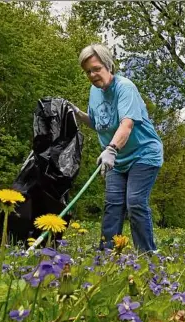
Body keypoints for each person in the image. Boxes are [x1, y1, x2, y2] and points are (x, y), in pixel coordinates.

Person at [70, 43, 163, 252]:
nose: (92, 75)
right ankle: (106, 254)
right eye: (88, 72)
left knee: (135, 202)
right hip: (117, 159)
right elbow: (98, 122)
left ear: (108, 66)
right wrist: (77, 113)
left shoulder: (124, 87)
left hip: (143, 153)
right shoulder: (94, 92)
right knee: (113, 204)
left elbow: (127, 123)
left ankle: (148, 255)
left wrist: (111, 149)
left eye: (96, 69)